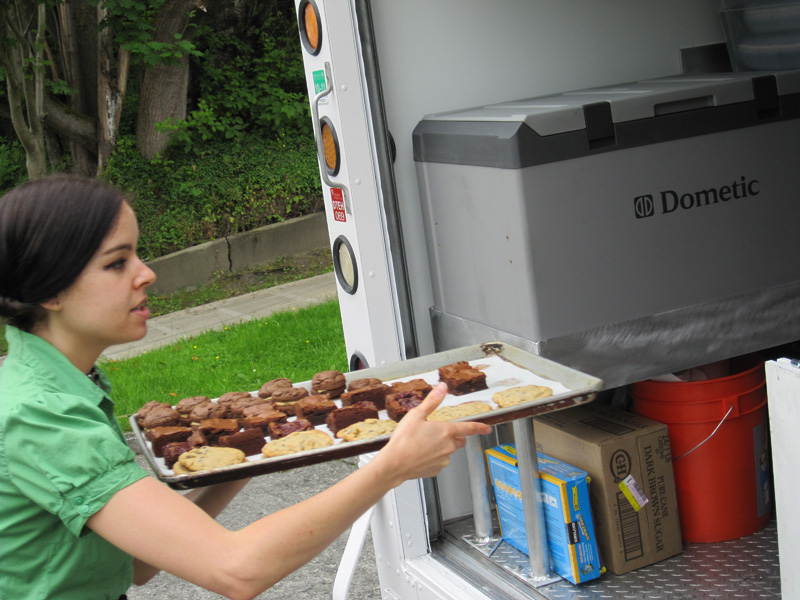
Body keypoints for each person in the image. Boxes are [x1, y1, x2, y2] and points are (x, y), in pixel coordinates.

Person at [0, 174, 492, 600]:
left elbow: (139, 564)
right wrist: (390, 468)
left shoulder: (65, 385)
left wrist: (246, 454)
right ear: (50, 290)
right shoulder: (41, 413)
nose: (147, 274)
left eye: (137, 254)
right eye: (116, 263)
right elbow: (238, 570)